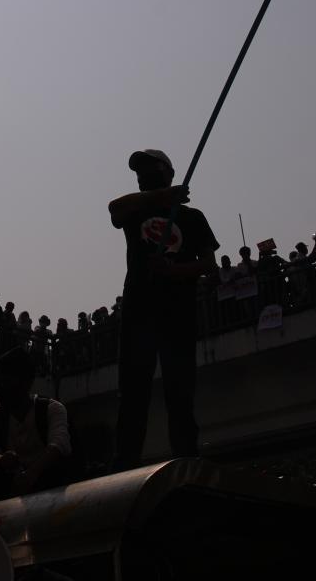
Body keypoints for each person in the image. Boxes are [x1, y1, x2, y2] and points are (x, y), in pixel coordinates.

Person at [107, 149, 217, 471]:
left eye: (149, 168)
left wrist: (171, 270)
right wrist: (162, 196)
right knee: (132, 392)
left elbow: (208, 265)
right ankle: (124, 463)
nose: (142, 176)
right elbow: (114, 209)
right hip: (139, 310)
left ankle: (186, 458)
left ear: (168, 171)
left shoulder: (192, 218)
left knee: (179, 390)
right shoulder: (136, 210)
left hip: (176, 313)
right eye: (138, 172)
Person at [0, 347, 72, 502]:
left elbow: (60, 444)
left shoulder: (52, 409)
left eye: (5, 382)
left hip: (50, 488)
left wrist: (31, 475)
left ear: (27, 382)